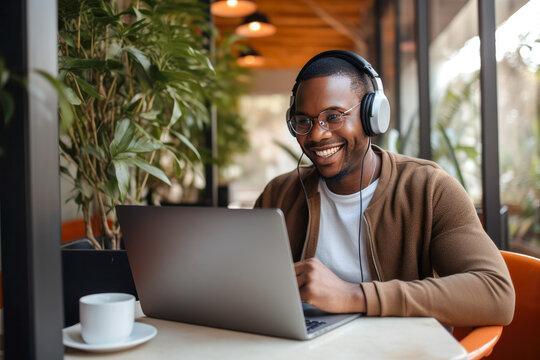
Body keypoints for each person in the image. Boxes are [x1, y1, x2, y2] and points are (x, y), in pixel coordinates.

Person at [254, 50, 515, 327]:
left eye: (333, 116)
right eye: (304, 121)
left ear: (372, 115)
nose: (317, 134)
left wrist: (354, 296)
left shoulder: (429, 189)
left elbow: (496, 293)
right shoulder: (279, 194)